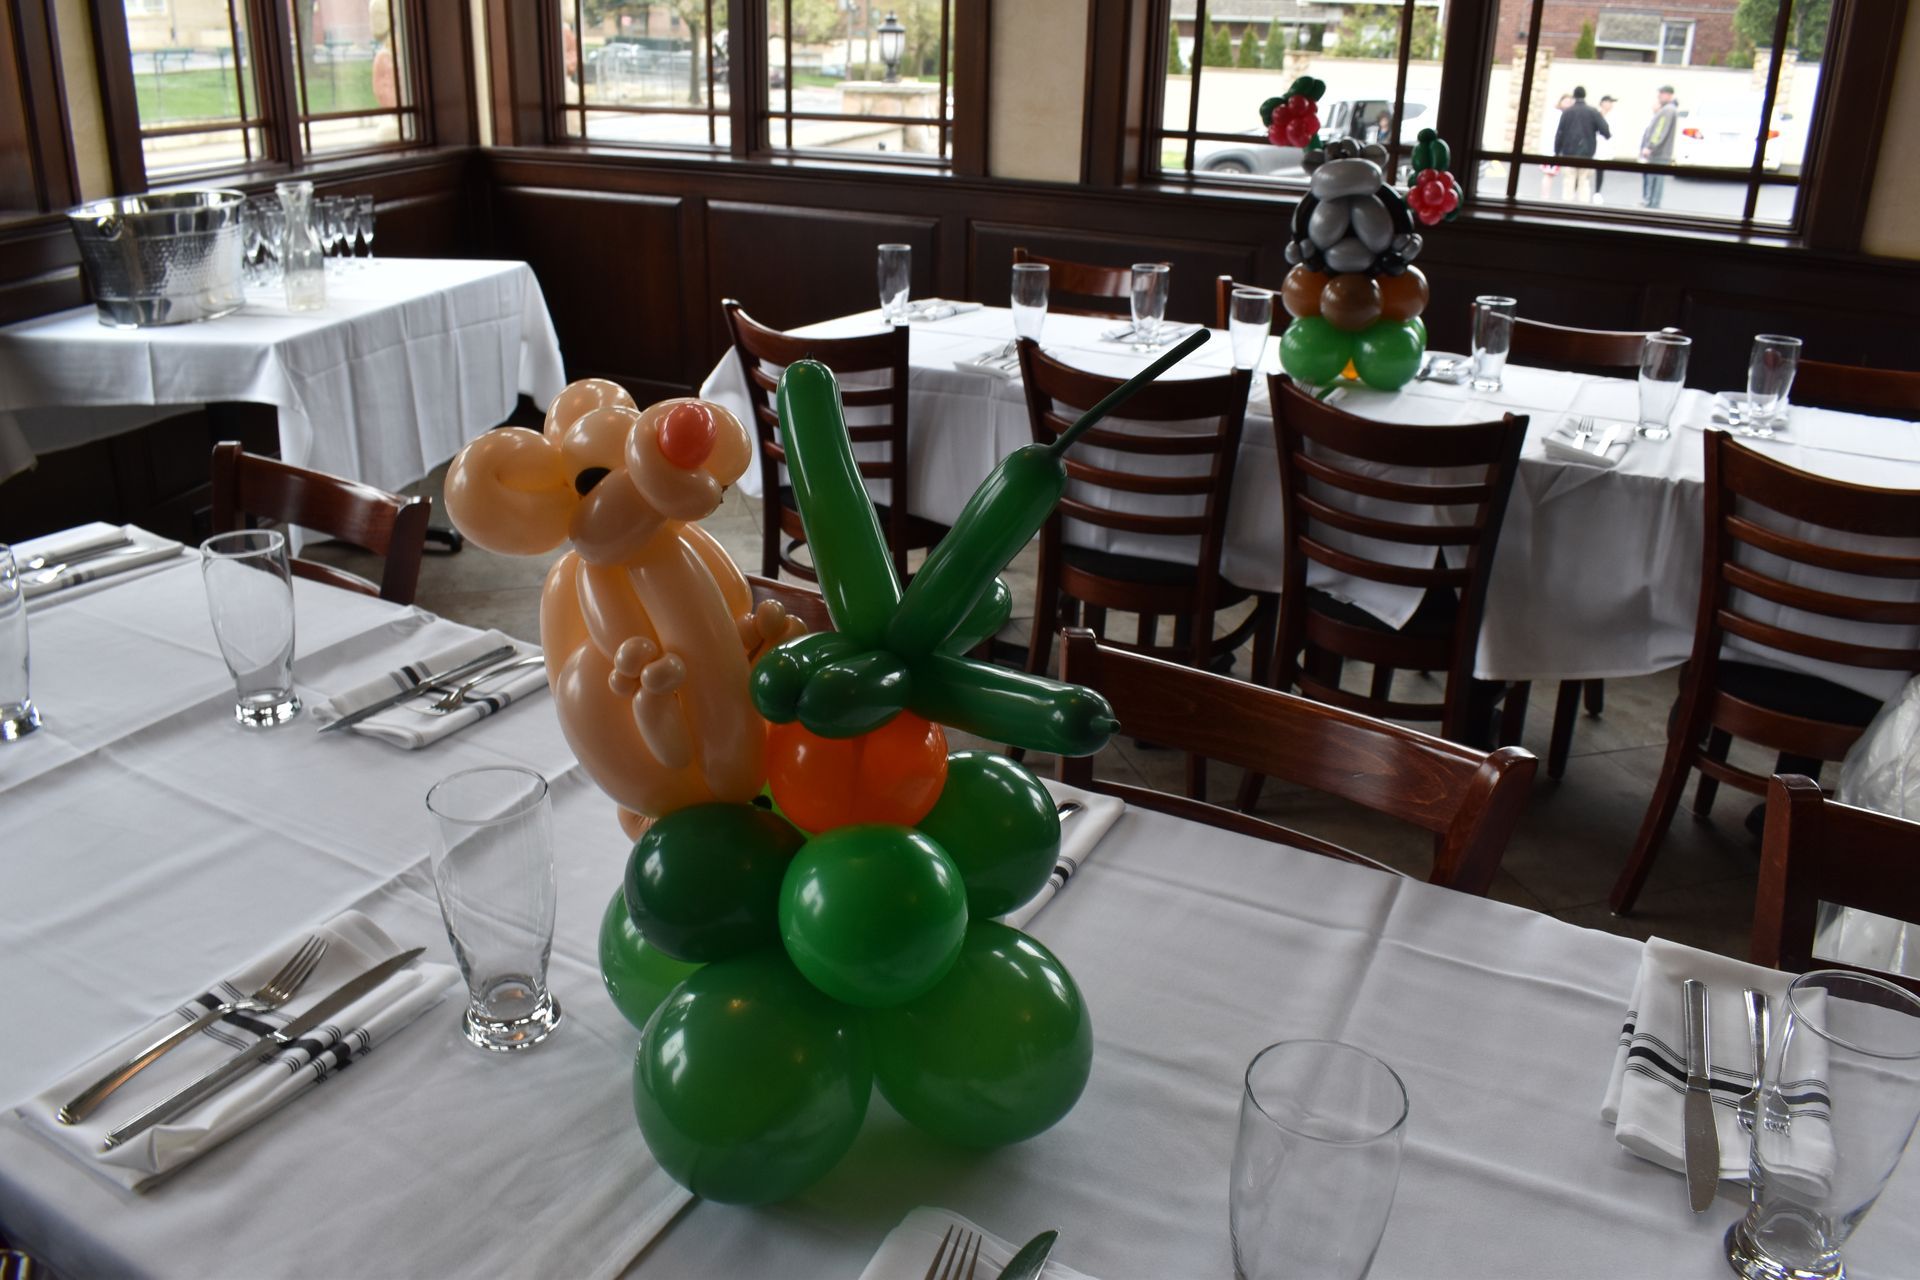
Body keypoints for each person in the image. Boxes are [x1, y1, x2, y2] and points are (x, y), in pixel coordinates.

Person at [1553, 86, 1610, 204]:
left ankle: (1566, 210)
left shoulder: (1567, 112)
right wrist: (1606, 135)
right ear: (1585, 96)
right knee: (1584, 182)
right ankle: (1582, 210)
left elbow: (1560, 133)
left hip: (1568, 154)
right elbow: (1604, 129)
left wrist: (1557, 151)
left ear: (1574, 96)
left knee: (1569, 182)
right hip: (1587, 153)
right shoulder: (1592, 112)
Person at [1640, 86, 1679, 209]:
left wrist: (1650, 147)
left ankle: (1652, 205)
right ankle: (1652, 203)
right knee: (1657, 180)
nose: (1659, 96)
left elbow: (1659, 131)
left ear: (1669, 95)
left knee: (1655, 181)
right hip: (1662, 152)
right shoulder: (1670, 109)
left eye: (1662, 93)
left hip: (1659, 153)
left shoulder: (1667, 110)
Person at [1540, 94, 1573, 200]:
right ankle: (1545, 196)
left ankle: (1546, 196)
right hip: (1552, 149)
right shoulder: (1556, 114)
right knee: (1549, 174)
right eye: (1566, 101)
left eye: (1569, 102)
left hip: (1559, 149)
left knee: (1554, 174)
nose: (1568, 104)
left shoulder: (1565, 115)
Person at [1594, 95, 1617, 202]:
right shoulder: (1595, 114)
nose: (1611, 105)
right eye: (1609, 102)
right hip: (1593, 146)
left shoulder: (1614, 116)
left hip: (1604, 148)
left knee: (1600, 170)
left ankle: (1597, 192)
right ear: (1603, 103)